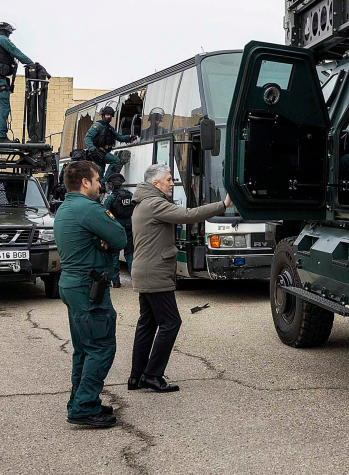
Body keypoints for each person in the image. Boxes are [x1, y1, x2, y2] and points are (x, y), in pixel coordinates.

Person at [128, 164, 232, 392]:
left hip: (146, 271)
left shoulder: (144, 202)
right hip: (155, 273)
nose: (172, 183)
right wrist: (222, 205)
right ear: (155, 183)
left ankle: (136, 377)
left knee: (147, 324)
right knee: (171, 323)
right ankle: (152, 375)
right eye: (168, 180)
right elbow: (187, 216)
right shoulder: (155, 203)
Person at [54, 160, 128, 428]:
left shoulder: (66, 207)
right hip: (89, 288)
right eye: (97, 180)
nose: (100, 185)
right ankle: (84, 406)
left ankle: (81, 400)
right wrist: (105, 240)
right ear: (85, 182)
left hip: (74, 285)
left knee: (84, 349)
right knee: (101, 347)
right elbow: (120, 239)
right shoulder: (88, 209)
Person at [102, 173, 135, 289]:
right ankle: (135, 281)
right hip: (129, 227)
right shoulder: (130, 195)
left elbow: (104, 213)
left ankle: (116, 282)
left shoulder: (111, 198)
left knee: (114, 255)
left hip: (116, 228)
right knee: (130, 254)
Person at [84, 106, 135, 177]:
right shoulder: (98, 126)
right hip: (97, 152)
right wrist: (92, 149)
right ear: (103, 115)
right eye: (107, 115)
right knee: (116, 161)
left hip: (102, 152)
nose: (109, 117)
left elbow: (119, 137)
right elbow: (87, 137)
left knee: (100, 170)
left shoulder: (110, 128)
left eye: (110, 115)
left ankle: (101, 185)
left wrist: (129, 138)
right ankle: (106, 181)